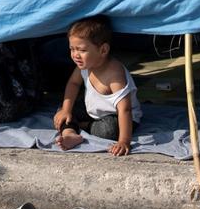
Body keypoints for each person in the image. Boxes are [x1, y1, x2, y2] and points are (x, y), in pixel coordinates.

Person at [53, 15, 142, 156]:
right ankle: (70, 134)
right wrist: (66, 109)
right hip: (93, 109)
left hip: (117, 116)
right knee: (63, 109)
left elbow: (125, 110)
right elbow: (73, 83)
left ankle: (82, 126)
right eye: (72, 49)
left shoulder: (114, 73)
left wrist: (124, 141)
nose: (75, 55)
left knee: (109, 130)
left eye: (81, 50)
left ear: (103, 50)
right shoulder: (83, 66)